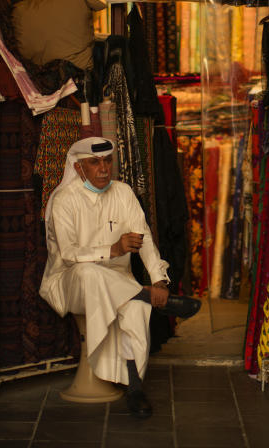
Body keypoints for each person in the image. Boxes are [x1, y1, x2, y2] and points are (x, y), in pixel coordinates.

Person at [39, 136, 200, 418]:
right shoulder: (64, 200)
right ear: (79, 168)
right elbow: (67, 254)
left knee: (135, 307)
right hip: (70, 282)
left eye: (107, 161)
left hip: (118, 284)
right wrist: (112, 250)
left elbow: (144, 238)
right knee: (90, 271)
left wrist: (159, 279)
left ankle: (135, 388)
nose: (103, 168)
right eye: (94, 162)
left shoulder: (123, 192)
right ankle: (150, 297)